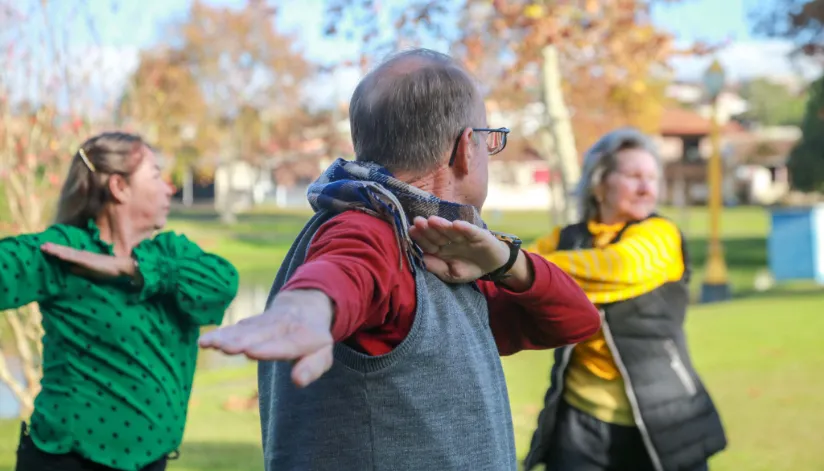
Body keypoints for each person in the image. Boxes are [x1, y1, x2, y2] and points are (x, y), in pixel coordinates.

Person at [198, 48, 601, 471]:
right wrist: (307, 309)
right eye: (489, 139)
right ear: (466, 147)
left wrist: (507, 262)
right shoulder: (371, 226)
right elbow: (345, 268)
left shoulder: (444, 249)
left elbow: (577, 321)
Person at [6, 132, 239, 471]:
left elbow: (223, 284)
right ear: (119, 187)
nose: (169, 188)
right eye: (157, 175)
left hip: (150, 462)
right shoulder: (66, 251)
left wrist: (131, 269)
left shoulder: (171, 252)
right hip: (66, 460)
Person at [523, 128, 727, 471]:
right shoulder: (567, 239)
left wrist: (515, 265)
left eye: (652, 178)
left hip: (665, 417)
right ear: (599, 183)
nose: (647, 188)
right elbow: (511, 275)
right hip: (578, 423)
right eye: (634, 176)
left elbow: (614, 268)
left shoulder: (661, 234)